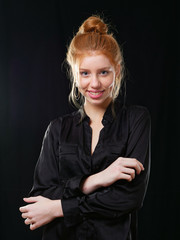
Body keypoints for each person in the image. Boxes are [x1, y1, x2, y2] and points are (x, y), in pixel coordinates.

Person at [19, 15, 151, 240]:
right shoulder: (57, 129)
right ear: (74, 74)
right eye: (85, 73)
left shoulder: (136, 120)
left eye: (103, 72)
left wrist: (58, 208)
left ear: (116, 70)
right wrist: (97, 180)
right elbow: (41, 197)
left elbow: (129, 198)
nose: (95, 84)